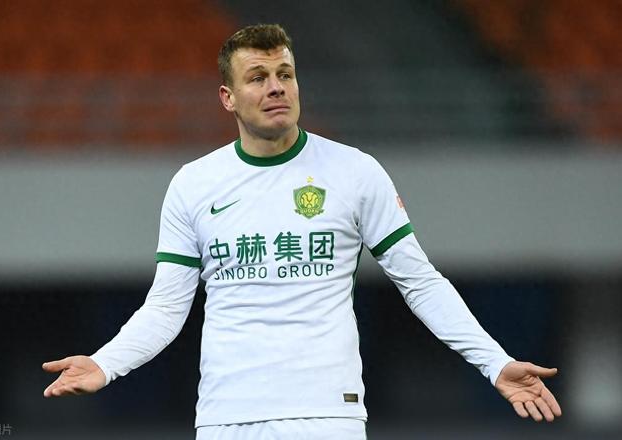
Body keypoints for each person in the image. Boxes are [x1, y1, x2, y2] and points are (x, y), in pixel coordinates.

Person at [43, 24, 562, 439]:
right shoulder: (194, 184)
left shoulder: (355, 172)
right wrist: (105, 364)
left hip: (327, 415)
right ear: (228, 97)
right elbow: (165, 308)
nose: (276, 87)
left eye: (285, 74)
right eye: (258, 77)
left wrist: (494, 362)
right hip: (228, 416)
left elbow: (421, 283)